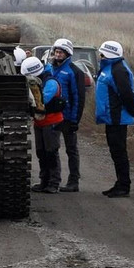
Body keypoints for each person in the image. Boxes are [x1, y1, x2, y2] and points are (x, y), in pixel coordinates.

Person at [94, 40, 134, 197]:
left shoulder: (118, 70)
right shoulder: (110, 67)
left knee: (119, 152)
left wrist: (133, 110)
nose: (100, 56)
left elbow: (126, 94)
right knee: (115, 152)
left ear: (108, 54)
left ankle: (124, 185)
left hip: (117, 118)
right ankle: (120, 183)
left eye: (102, 53)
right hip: (111, 118)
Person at [21, 56, 64, 194]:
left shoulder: (50, 83)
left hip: (51, 122)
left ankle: (54, 182)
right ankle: (44, 180)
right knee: (41, 152)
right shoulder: (40, 81)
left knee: (51, 152)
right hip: (40, 122)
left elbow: (42, 101)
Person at [50, 38, 84, 193]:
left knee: (71, 150)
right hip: (53, 116)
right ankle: (52, 180)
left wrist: (75, 119)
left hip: (68, 117)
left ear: (67, 54)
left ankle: (73, 181)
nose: (57, 55)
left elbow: (78, 97)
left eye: (60, 52)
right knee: (52, 148)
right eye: (56, 52)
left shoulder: (74, 71)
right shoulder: (50, 69)